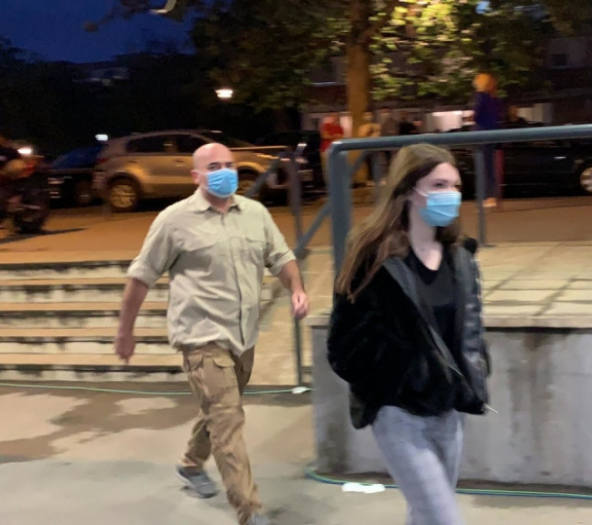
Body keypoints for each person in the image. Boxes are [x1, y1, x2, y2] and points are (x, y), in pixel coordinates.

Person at [114, 142, 310, 525]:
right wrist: (126, 331)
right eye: (214, 166)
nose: (225, 172)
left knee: (220, 411)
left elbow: (281, 257)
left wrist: (297, 289)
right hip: (200, 337)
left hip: (243, 335)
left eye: (229, 165)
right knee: (227, 418)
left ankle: (190, 464)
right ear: (196, 176)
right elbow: (141, 276)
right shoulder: (174, 220)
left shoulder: (254, 213)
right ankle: (250, 511)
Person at [328, 143, 491, 525]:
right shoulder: (374, 260)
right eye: (439, 185)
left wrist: (475, 375)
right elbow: (343, 348)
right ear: (409, 190)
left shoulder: (461, 257)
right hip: (399, 413)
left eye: (455, 186)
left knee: (425, 514)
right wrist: (399, 380)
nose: (451, 195)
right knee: (443, 518)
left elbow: (470, 330)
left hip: (450, 410)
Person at [473, 73, 501, 208]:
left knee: (482, 168)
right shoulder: (494, 98)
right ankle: (492, 196)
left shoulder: (480, 97)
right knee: (490, 167)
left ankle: (485, 197)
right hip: (491, 135)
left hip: (481, 135)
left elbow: (477, 115)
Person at [319, 113, 345, 184]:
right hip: (326, 149)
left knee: (337, 166)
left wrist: (331, 136)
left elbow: (341, 138)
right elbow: (324, 135)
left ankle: (337, 181)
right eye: (334, 116)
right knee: (328, 166)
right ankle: (329, 182)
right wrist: (334, 137)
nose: (335, 118)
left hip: (336, 150)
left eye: (337, 117)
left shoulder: (340, 128)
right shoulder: (326, 125)